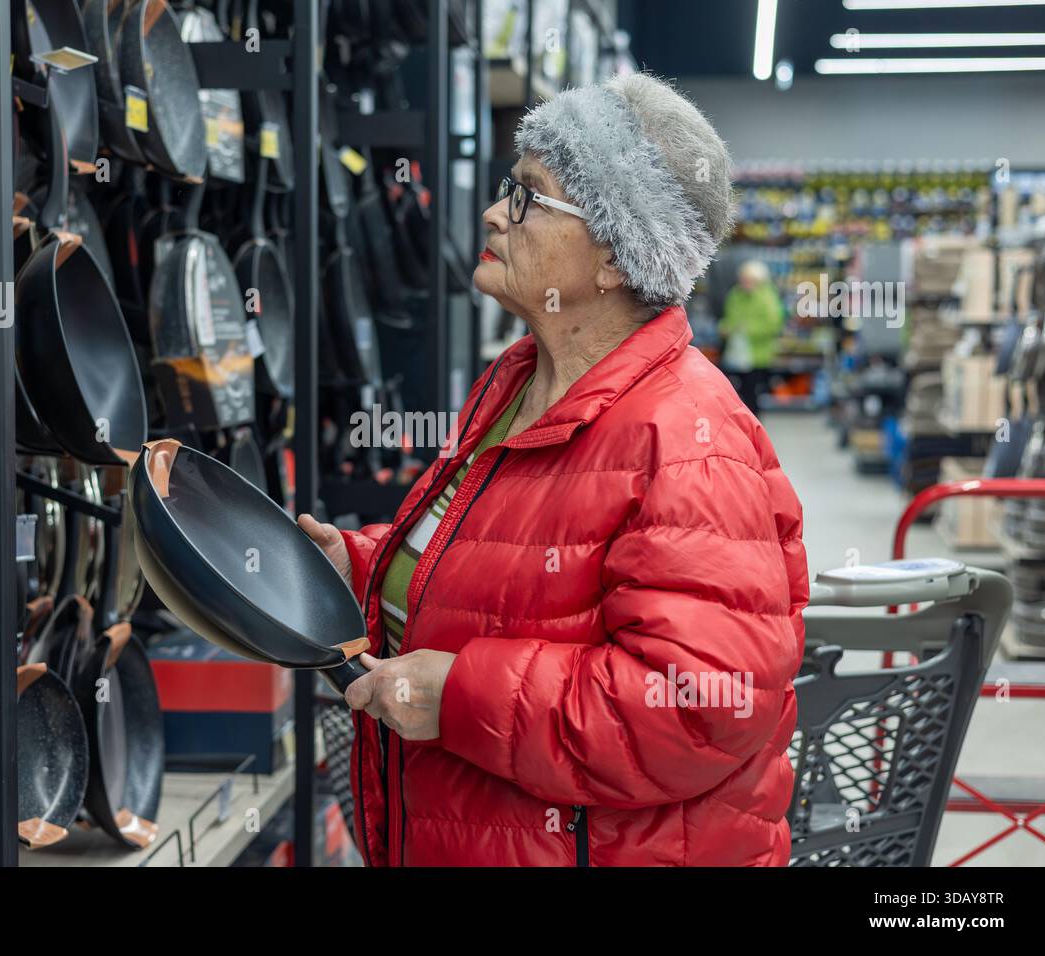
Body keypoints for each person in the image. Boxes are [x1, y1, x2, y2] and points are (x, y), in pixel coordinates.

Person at [298, 73, 807, 866]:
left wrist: (463, 695)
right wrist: (359, 569)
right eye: (509, 187)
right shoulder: (518, 381)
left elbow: (699, 708)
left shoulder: (687, 441)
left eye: (530, 196)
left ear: (613, 255)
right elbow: (498, 571)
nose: (496, 213)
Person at [719, 259, 785, 414]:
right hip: (735, 354)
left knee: (752, 393)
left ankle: (753, 426)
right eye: (743, 279)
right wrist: (724, 328)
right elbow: (729, 318)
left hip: (757, 355)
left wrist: (745, 330)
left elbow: (773, 324)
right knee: (734, 390)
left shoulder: (767, 297)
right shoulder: (735, 294)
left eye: (748, 279)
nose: (744, 282)